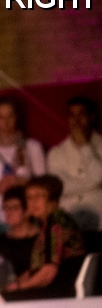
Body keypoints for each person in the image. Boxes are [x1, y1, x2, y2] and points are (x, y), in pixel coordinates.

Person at [0, 95, 46, 247]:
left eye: (10, 116)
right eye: (1, 117)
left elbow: (45, 187)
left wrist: (19, 181)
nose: (5, 122)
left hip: (25, 217)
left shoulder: (32, 147)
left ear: (16, 117)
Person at [6, 175, 86, 300]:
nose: (33, 202)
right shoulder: (50, 222)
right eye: (29, 197)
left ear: (53, 199)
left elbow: (49, 273)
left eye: (38, 196)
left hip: (60, 294)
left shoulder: (55, 224)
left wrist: (20, 287)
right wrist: (16, 282)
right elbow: (37, 268)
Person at [46, 96, 102, 231]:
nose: (76, 120)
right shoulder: (56, 152)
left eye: (81, 114)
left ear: (91, 117)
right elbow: (60, 187)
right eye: (72, 115)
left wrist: (85, 146)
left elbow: (99, 176)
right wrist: (96, 184)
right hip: (69, 219)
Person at [0, 186, 38, 279]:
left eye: (15, 208)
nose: (8, 212)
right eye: (6, 207)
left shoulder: (40, 239)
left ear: (27, 211)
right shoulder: (0, 241)